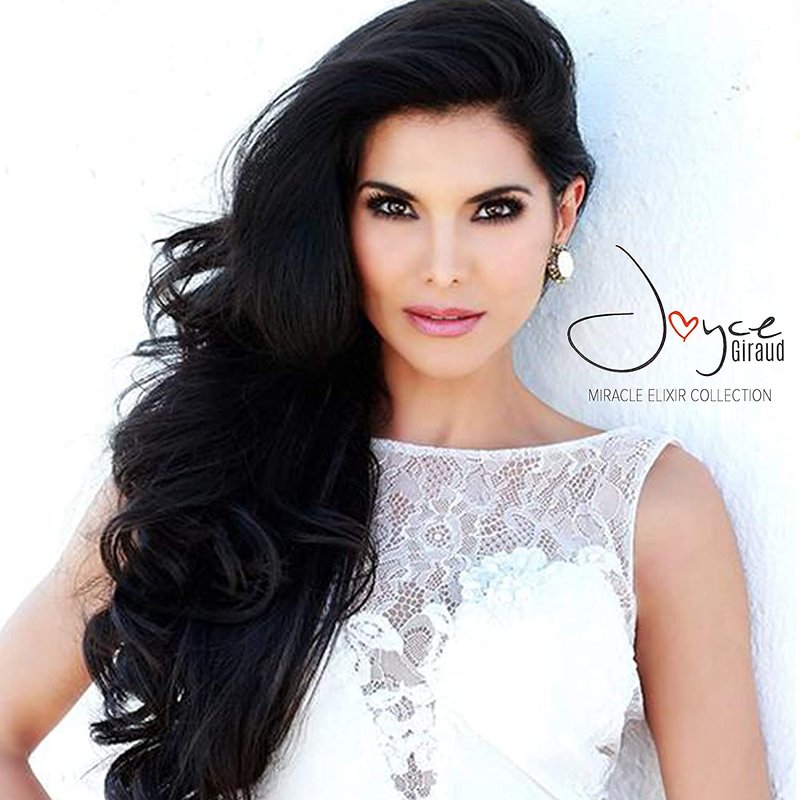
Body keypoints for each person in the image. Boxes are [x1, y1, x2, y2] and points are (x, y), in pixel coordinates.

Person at [0, 0, 772, 798]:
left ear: (562, 213)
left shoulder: (650, 507)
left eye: (494, 209)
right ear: (340, 218)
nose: (444, 266)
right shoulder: (211, 464)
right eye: (394, 207)